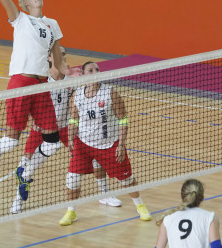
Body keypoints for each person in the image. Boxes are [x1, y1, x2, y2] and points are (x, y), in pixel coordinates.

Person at [0, 0, 74, 205]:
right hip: (21, 83)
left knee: (52, 142)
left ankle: (24, 173)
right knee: (12, 138)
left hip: (41, 85)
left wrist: (73, 75)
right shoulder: (21, 19)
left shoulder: (52, 24)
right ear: (24, 2)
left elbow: (58, 61)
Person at [10, 47, 122, 214]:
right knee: (26, 165)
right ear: (49, 57)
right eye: (59, 53)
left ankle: (104, 194)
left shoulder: (71, 79)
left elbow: (87, 90)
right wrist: (34, 119)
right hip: (42, 130)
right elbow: (30, 102)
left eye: (63, 53)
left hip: (65, 128)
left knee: (94, 157)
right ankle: (17, 202)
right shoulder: (42, 80)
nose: (63, 55)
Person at [58, 62, 152, 225]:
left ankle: (141, 206)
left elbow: (123, 119)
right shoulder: (77, 95)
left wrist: (121, 144)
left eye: (97, 70)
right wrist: (71, 139)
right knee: (72, 179)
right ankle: (71, 211)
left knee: (126, 180)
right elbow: (73, 119)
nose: (95, 72)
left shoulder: (110, 93)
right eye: (91, 70)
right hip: (84, 144)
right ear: (84, 74)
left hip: (109, 144)